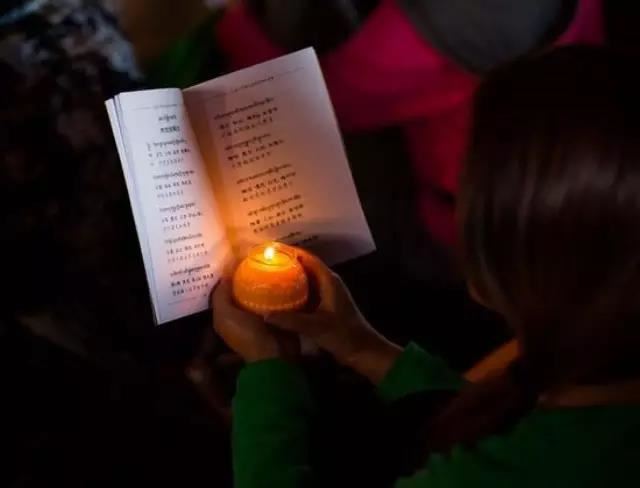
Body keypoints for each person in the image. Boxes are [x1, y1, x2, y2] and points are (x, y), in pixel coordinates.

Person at [211, 46, 640, 487]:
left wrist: (268, 370)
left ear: (524, 248)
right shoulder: (599, 388)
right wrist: (358, 344)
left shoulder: (529, 470)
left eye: (467, 185)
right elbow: (493, 414)